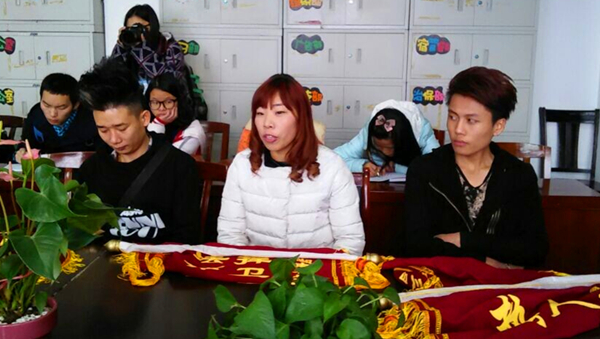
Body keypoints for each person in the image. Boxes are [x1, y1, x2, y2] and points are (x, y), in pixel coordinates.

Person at [404, 67, 548, 268]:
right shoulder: (425, 170)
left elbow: (533, 250)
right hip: (441, 281)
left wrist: (463, 239)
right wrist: (483, 261)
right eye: (453, 117)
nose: (458, 129)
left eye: (471, 121)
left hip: (500, 285)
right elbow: (415, 245)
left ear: (498, 126)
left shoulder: (518, 175)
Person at [217, 74, 365, 256]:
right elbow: (230, 235)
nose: (267, 123)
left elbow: (349, 240)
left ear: (301, 118)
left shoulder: (332, 166)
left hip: (317, 271)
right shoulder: (242, 165)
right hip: (256, 269)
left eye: (279, 113)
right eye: (260, 113)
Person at [76, 58, 201, 244]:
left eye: (121, 128)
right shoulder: (91, 170)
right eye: (103, 130)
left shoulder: (179, 166)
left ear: (144, 118)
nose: (114, 139)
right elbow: (83, 235)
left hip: (161, 260)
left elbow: (187, 237)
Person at [334, 100, 439, 176]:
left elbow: (436, 169)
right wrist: (362, 166)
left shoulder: (423, 132)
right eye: (378, 147)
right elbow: (334, 158)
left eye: (389, 148)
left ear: (404, 141)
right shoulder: (370, 132)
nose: (385, 152)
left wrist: (397, 168)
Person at [18, 73, 98, 159]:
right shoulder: (36, 114)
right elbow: (26, 141)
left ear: (76, 104)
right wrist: (22, 150)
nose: (52, 114)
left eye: (61, 107)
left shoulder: (92, 119)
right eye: (46, 105)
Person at [111, 4, 185, 87]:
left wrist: (141, 50)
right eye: (129, 29)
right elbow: (111, 77)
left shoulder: (169, 47)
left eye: (137, 27)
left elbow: (170, 81)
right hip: (133, 95)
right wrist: (121, 47)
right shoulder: (128, 48)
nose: (134, 32)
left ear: (152, 26)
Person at [146, 74, 206, 156]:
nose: (161, 108)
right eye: (155, 102)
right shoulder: (145, 122)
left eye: (168, 102)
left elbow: (166, 160)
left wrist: (158, 123)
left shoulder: (191, 132)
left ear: (179, 101)